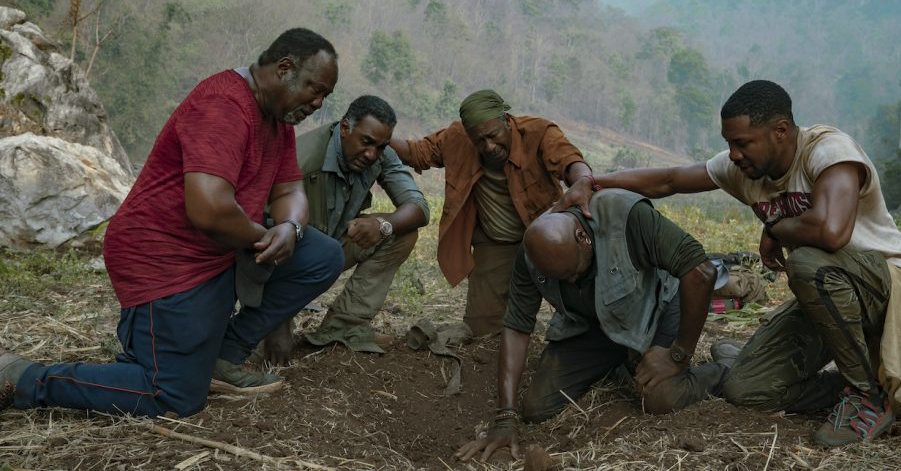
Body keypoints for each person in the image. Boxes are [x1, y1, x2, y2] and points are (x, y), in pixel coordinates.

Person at [558, 79, 901, 446]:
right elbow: (669, 180)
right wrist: (593, 182)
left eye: (742, 143)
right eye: (729, 144)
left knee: (810, 265)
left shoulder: (828, 151)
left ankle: (868, 397)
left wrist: (777, 229)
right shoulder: (745, 169)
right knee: (746, 389)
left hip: (884, 286)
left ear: (780, 131)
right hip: (828, 299)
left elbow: (832, 233)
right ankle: (854, 386)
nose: (734, 154)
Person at [0, 28, 346, 418]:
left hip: (219, 252)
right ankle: (23, 377)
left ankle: (221, 357)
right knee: (171, 395)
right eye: (315, 90)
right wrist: (265, 235)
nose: (317, 103)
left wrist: (290, 229)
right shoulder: (224, 104)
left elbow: (290, 193)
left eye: (324, 97)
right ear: (284, 69)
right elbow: (209, 210)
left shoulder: (278, 121)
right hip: (163, 257)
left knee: (322, 255)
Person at [456, 189, 725, 462]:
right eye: (561, 279)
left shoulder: (626, 216)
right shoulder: (532, 252)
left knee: (659, 399)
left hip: (657, 312)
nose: (572, 283)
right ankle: (625, 362)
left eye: (574, 273)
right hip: (594, 326)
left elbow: (701, 272)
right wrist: (505, 417)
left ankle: (722, 371)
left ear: (582, 237)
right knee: (537, 408)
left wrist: (678, 354)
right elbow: (517, 325)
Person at [389, 89, 592, 335]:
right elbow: (416, 153)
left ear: (507, 121)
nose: (489, 146)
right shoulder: (457, 138)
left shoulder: (539, 132)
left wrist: (582, 180)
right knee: (481, 328)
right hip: (496, 244)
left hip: (546, 239)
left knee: (581, 313)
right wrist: (380, 137)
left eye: (493, 136)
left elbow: (569, 160)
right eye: (479, 141)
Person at [261, 95, 429, 363]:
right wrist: (278, 320)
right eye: (366, 143)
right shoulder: (302, 160)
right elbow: (264, 241)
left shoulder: (380, 155)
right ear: (345, 128)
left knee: (401, 231)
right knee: (259, 347)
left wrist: (383, 225)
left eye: (381, 146)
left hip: (331, 249)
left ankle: (343, 326)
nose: (372, 154)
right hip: (286, 261)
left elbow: (418, 207)